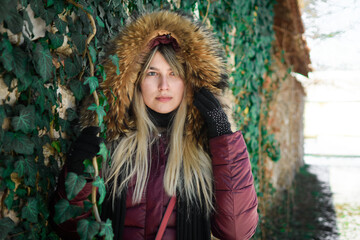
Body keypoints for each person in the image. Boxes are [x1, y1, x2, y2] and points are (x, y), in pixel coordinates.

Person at [51, 10, 258, 240]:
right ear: (135, 80)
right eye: (152, 73)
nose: (164, 85)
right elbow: (69, 227)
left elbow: (238, 232)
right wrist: (78, 169)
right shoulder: (111, 144)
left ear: (188, 81)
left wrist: (224, 140)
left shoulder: (206, 149)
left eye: (174, 73)